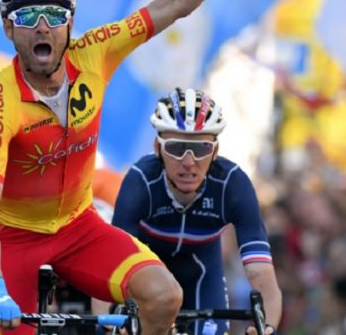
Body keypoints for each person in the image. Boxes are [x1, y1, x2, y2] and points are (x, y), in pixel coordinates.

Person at [0, 0, 304, 335]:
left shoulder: (95, 53)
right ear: (9, 29)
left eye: (55, 16)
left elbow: (176, 2)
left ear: (70, 25)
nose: (42, 27)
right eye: (27, 18)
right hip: (15, 242)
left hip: (78, 228)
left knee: (164, 295)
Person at [112, 88, 282, 335]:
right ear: (157, 148)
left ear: (215, 151)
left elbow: (261, 273)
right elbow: (112, 264)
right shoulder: (141, 181)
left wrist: (268, 327)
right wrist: (107, 324)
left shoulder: (233, 185)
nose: (189, 162)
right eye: (176, 148)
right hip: (145, 277)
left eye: (201, 148)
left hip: (203, 278)